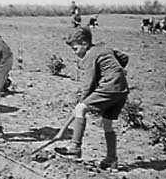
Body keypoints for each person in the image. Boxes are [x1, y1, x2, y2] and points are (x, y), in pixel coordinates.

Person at [53, 26, 129, 170]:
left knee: (81, 108)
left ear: (84, 44)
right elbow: (124, 57)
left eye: (75, 49)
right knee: (107, 123)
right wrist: (114, 71)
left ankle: (75, 147)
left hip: (109, 87)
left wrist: (82, 99)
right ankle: (111, 159)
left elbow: (88, 83)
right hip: (122, 90)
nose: (75, 53)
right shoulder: (103, 48)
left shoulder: (90, 56)